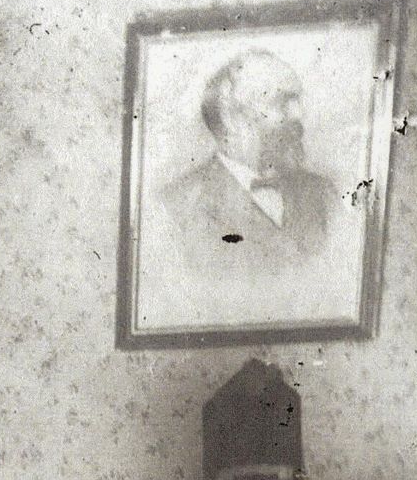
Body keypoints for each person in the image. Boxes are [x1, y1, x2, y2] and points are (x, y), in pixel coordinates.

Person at [144, 47, 355, 323]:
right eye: (282, 102)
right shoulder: (174, 208)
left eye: (297, 101)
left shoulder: (326, 195)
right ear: (233, 119)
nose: (299, 115)